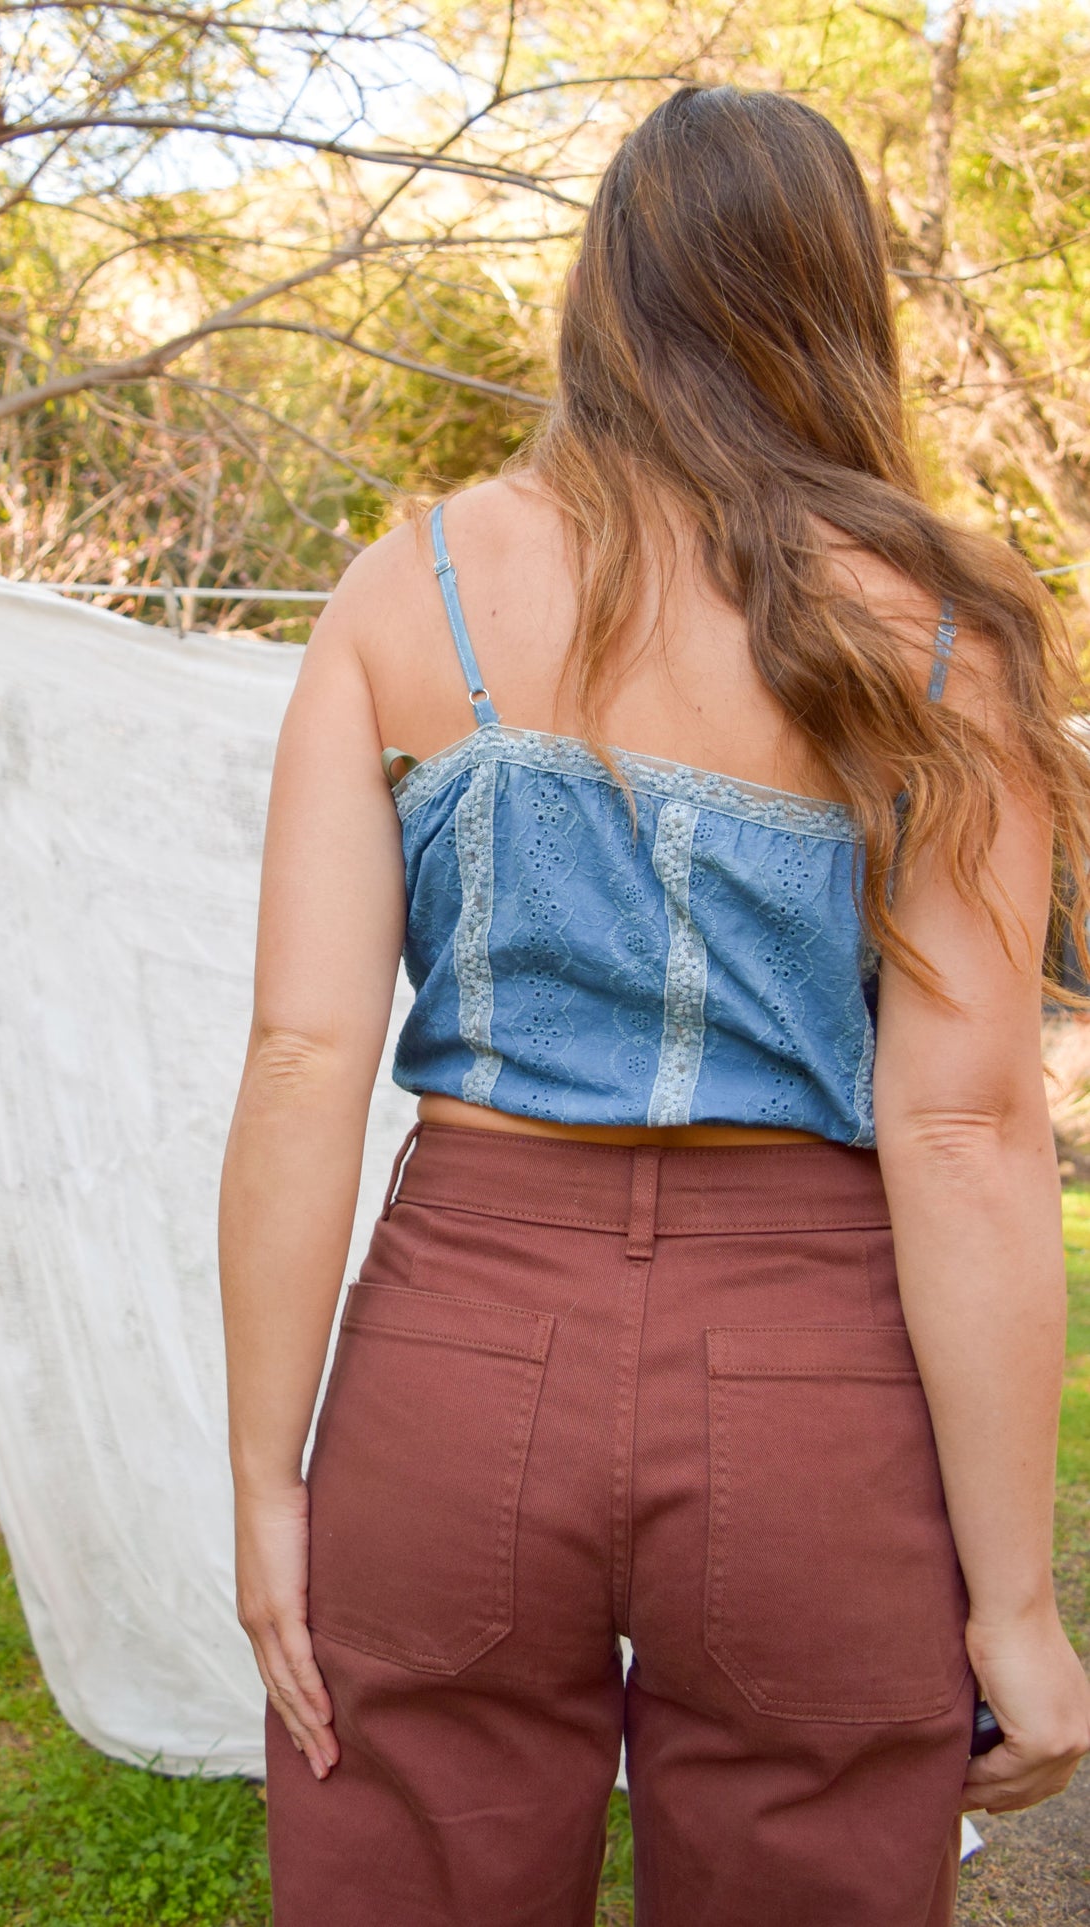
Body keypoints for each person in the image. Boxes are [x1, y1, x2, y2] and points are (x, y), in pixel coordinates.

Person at [217, 84, 1090, 1927]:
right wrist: (1015, 1604)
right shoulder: (940, 634)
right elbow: (960, 1127)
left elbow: (304, 1055)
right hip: (809, 1380)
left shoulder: (410, 588)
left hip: (457, 1354)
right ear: (831, 301)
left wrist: (263, 1479)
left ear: (599, 295)